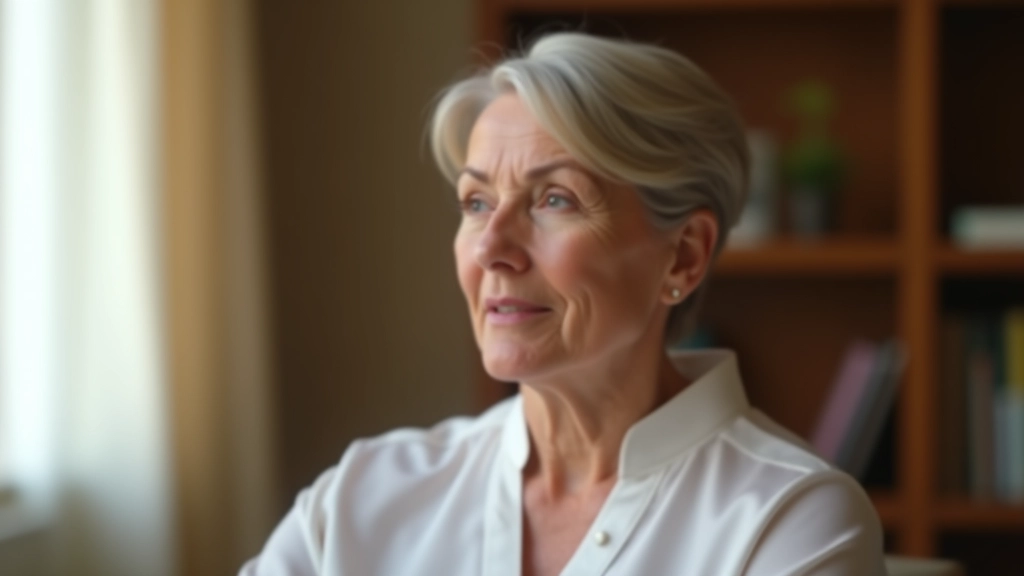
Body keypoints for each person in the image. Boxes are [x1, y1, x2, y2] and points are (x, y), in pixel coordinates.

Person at [240, 32, 886, 576]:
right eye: (476, 202)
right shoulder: (365, 493)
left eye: (555, 200)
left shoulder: (789, 518)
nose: (492, 247)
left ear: (684, 255)